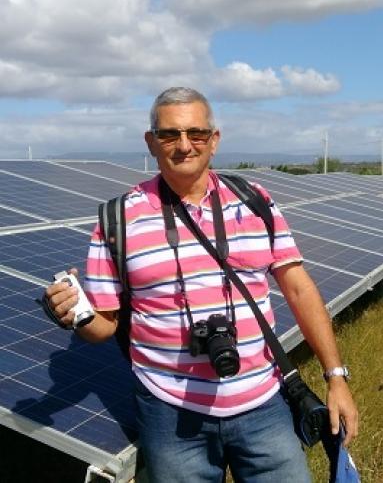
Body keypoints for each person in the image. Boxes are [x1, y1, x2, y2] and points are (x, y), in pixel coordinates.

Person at [46, 87, 358, 482]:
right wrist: (74, 313)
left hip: (264, 404)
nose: (184, 145)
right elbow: (104, 325)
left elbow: (299, 288)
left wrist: (336, 378)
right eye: (169, 135)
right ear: (150, 142)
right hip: (170, 415)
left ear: (214, 140)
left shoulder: (254, 200)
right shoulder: (118, 219)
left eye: (196, 133)